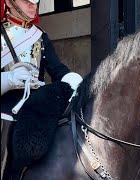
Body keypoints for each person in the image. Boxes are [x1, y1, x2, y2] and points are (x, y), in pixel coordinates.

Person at [1, 0, 82, 178]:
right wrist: (9, 79)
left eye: (36, 1)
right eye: (27, 1)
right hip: (5, 115)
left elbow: (56, 69)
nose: (33, 5)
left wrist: (72, 80)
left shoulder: (39, 36)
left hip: (36, 115)